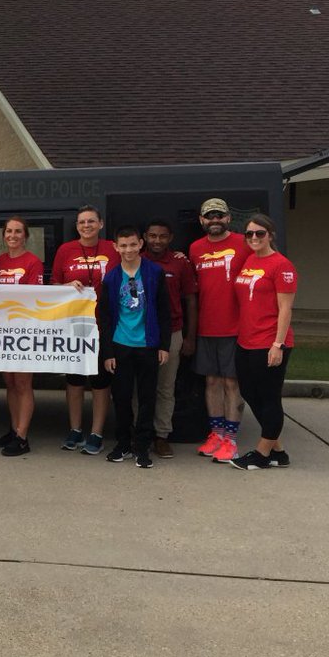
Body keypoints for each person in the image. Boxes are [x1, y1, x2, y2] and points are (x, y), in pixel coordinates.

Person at [98, 226, 171, 469]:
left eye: (132, 244)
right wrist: (107, 351)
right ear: (116, 247)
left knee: (147, 397)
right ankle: (123, 444)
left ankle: (142, 447)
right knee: (121, 397)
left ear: (140, 244)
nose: (128, 249)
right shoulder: (111, 277)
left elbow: (163, 311)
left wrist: (164, 345)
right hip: (121, 345)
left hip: (148, 345)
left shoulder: (154, 272)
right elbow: (105, 317)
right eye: (123, 245)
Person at [230, 214, 297, 471]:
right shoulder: (249, 260)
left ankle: (262, 453)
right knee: (248, 392)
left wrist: (277, 345)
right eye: (249, 234)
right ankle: (277, 451)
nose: (254, 238)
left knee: (269, 398)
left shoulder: (282, 265)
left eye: (260, 233)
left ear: (270, 235)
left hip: (269, 342)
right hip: (246, 340)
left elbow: (286, 309)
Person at [52, 205, 120, 455]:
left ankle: (97, 432)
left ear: (100, 224)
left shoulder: (113, 249)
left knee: (101, 381)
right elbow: (54, 284)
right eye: (82, 222)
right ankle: (75, 429)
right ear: (77, 226)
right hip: (74, 326)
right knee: (74, 381)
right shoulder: (65, 250)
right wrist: (67, 285)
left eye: (91, 221)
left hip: (105, 324)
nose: (87, 225)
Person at [190, 198, 250, 464]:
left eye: (219, 216)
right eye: (209, 216)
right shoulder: (194, 248)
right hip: (206, 327)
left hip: (235, 327)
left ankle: (231, 439)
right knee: (211, 382)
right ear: (202, 220)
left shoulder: (243, 243)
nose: (214, 220)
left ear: (228, 218)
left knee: (232, 383)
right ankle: (216, 434)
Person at [142, 218, 198, 458]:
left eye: (162, 236)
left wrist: (190, 337)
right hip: (138, 334)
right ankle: (141, 434)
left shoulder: (179, 263)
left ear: (170, 238)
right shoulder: (135, 258)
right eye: (153, 236)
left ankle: (162, 436)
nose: (157, 241)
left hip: (172, 332)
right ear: (145, 237)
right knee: (140, 388)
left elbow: (191, 300)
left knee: (166, 388)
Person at [0, 216, 44, 457]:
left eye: (18, 232)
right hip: (1, 330)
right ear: (3, 235)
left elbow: (35, 298)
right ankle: (14, 430)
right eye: (9, 231)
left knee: (23, 383)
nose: (13, 236)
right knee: (10, 381)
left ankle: (23, 436)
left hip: (23, 330)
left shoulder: (33, 262)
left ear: (26, 235)